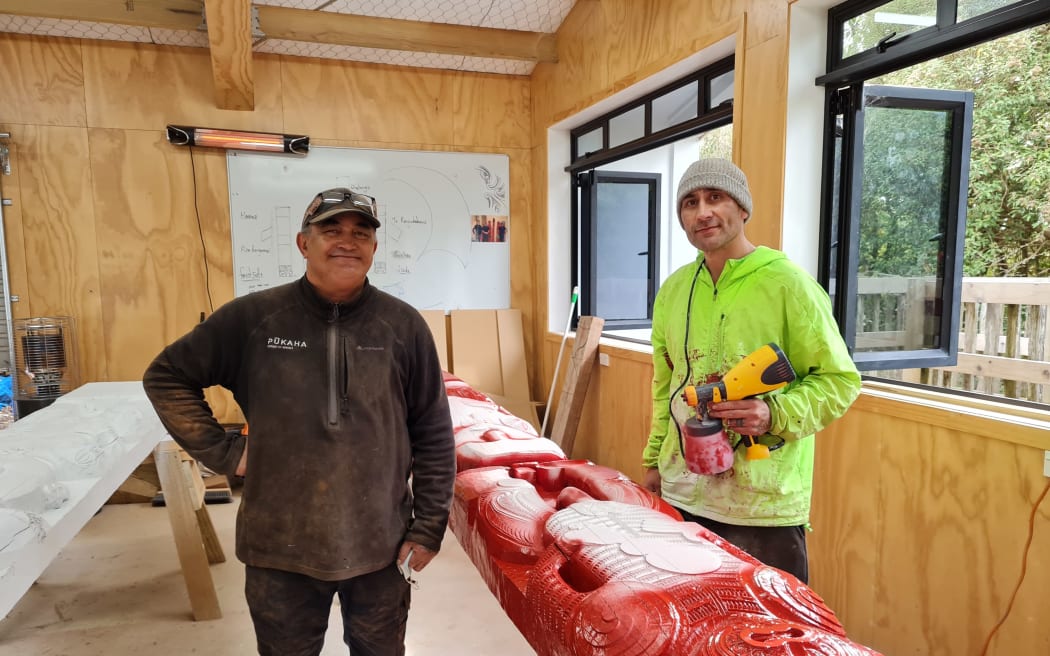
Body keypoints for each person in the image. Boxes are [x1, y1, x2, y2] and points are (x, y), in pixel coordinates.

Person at [143, 187, 456, 656]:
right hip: (279, 548)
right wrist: (227, 453)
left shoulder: (403, 326)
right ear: (302, 243)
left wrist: (427, 527)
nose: (347, 241)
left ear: (374, 247)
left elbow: (433, 433)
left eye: (361, 233)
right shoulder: (255, 319)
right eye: (331, 230)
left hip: (380, 547)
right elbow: (166, 376)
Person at [641, 158, 861, 584]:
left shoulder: (787, 284)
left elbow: (839, 380)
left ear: (742, 209)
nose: (702, 211)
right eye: (689, 202)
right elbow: (665, 385)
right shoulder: (673, 291)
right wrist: (654, 460)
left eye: (715, 197)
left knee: (765, 633)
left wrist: (773, 414)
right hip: (683, 489)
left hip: (762, 504)